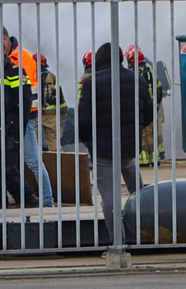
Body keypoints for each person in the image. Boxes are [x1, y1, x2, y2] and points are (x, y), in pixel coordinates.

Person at [77, 43, 153, 244]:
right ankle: (147, 232)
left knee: (109, 197)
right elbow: (149, 113)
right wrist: (134, 129)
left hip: (103, 150)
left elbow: (83, 121)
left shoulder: (91, 83)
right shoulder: (136, 79)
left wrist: (87, 139)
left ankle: (117, 242)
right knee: (138, 191)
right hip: (128, 147)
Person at [0, 26, 56, 207]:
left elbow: (21, 93)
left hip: (24, 119)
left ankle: (47, 201)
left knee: (32, 160)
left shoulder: (21, 58)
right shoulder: (6, 60)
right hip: (9, 121)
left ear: (5, 41)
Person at [0, 36, 38, 208]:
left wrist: (16, 126)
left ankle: (29, 197)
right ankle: (1, 202)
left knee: (8, 168)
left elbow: (24, 101)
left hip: (10, 128)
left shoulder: (15, 71)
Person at [124, 45, 166, 165]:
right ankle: (155, 158)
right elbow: (159, 90)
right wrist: (156, 106)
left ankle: (143, 160)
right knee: (152, 134)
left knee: (141, 134)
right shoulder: (152, 72)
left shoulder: (133, 75)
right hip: (151, 109)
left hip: (139, 110)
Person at [36, 52, 67, 153]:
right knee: (54, 142)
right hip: (51, 116)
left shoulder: (28, 76)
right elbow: (60, 96)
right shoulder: (52, 77)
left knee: (32, 143)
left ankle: (31, 166)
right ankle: (58, 166)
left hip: (33, 114)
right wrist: (64, 111)